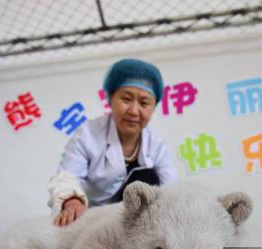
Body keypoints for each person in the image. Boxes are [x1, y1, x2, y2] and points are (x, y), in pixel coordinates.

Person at [48, 58, 177, 227]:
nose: (133, 111)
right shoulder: (87, 135)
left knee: (147, 178)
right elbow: (67, 176)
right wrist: (72, 202)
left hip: (138, 225)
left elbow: (171, 191)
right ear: (110, 99)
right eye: (126, 99)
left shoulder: (157, 145)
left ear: (153, 108)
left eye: (144, 103)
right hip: (92, 219)